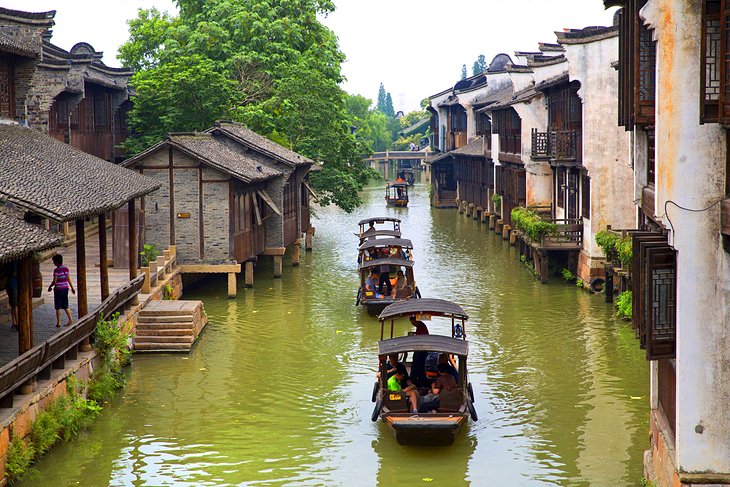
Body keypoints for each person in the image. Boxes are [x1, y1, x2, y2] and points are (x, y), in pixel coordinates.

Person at [48, 254, 75, 327]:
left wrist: (50, 286)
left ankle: (59, 322)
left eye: (53, 261)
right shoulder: (66, 269)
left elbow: (55, 281)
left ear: (57, 262)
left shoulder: (56, 270)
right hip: (65, 288)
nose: (53, 263)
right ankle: (70, 319)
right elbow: (68, 278)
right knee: (65, 305)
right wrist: (72, 287)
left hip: (58, 289)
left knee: (58, 306)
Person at [6, 262, 18, 330]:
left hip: (11, 285)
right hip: (13, 286)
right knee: (15, 305)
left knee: (13, 306)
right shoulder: (13, 263)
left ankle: (14, 322)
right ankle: (17, 322)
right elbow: (14, 272)